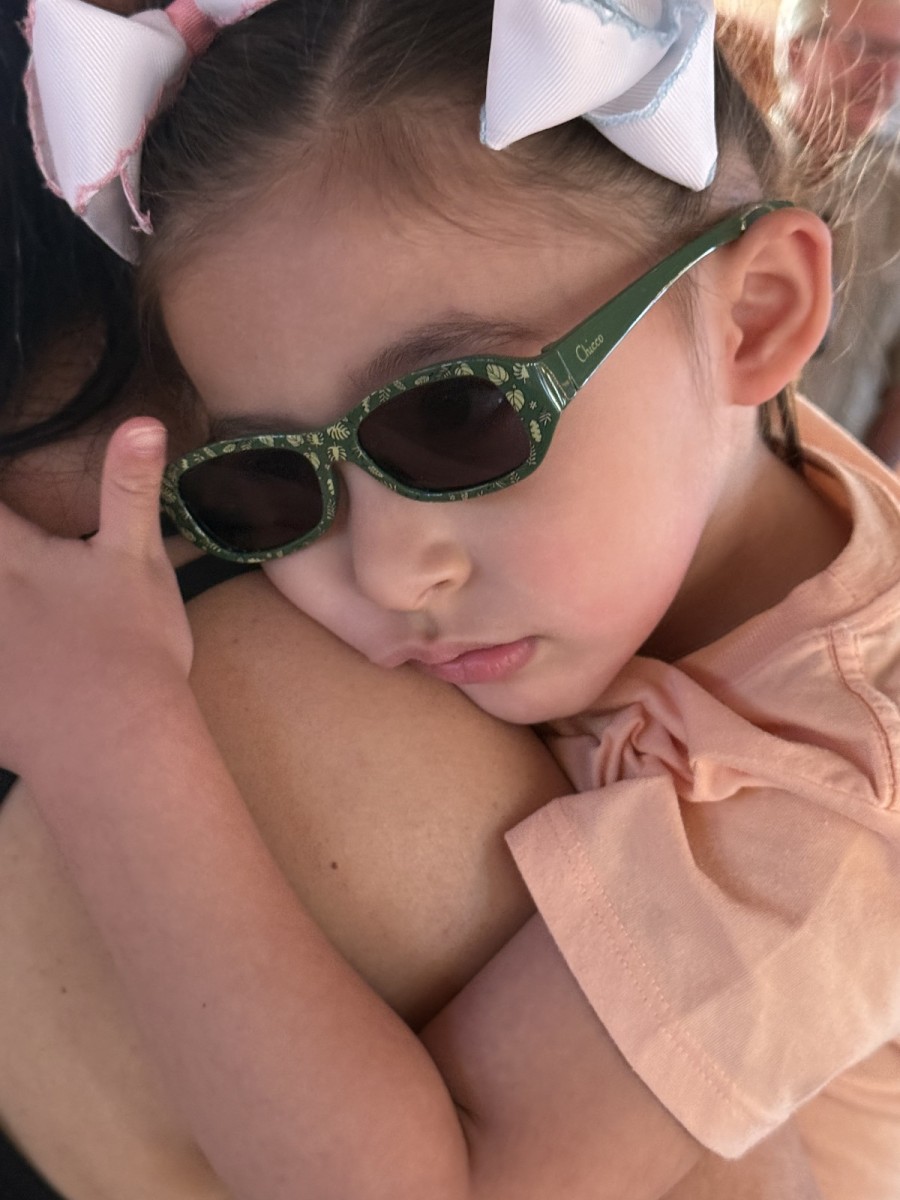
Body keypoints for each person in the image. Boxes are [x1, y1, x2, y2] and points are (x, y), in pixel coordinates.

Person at [6, 0, 898, 1195]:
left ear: (758, 317)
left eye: (457, 415)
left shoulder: (841, 807)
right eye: (273, 482)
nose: (383, 573)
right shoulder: (688, 465)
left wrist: (107, 741)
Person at [778, 0, 900, 462]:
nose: (886, 74)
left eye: (898, 54)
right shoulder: (720, 173)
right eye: (862, 46)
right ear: (796, 52)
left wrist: (867, 486)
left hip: (833, 479)